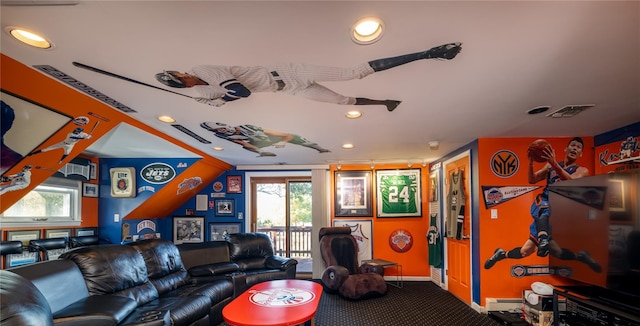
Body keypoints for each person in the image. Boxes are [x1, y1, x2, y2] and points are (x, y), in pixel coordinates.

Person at [156, 42, 462, 111]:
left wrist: (221, 96)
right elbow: (220, 100)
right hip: (285, 89)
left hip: (288, 72)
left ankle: (428, 53)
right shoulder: (199, 90)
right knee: (342, 100)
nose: (185, 76)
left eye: (181, 74)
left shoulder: (204, 71)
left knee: (355, 73)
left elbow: (243, 93)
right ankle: (385, 103)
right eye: (180, 79)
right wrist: (215, 99)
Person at [484, 137, 602, 272]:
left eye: (578, 147)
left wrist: (554, 164)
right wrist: (530, 163)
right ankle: (541, 239)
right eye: (572, 145)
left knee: (537, 251)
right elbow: (532, 179)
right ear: (566, 149)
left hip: (561, 209)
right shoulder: (551, 165)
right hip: (545, 201)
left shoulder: (582, 170)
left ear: (581, 153)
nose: (575, 148)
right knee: (543, 206)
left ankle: (580, 256)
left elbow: (570, 181)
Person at [201, 122, 330, 157]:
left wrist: (282, 142)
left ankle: (317, 147)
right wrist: (260, 151)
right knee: (246, 147)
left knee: (293, 136)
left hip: (271, 138)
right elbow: (244, 144)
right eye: (219, 131)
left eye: (222, 129)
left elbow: (286, 135)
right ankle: (261, 152)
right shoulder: (230, 137)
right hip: (259, 143)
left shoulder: (248, 126)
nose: (222, 132)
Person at [27, 127, 92, 164]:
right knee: (47, 149)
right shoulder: (70, 134)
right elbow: (74, 138)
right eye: (75, 130)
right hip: (63, 143)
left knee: (66, 153)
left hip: (70, 145)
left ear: (80, 132)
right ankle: (33, 153)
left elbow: (90, 137)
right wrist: (82, 138)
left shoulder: (83, 134)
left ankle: (61, 160)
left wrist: (88, 137)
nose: (75, 131)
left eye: (77, 131)